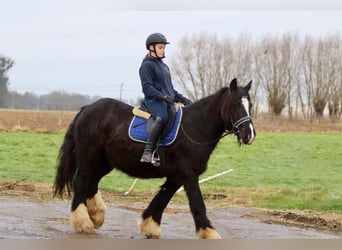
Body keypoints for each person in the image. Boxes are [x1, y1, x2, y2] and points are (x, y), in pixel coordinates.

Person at [139, 32, 192, 163]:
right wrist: (163, 96)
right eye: (160, 47)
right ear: (151, 48)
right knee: (162, 118)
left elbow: (170, 89)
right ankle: (148, 152)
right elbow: (147, 88)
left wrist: (182, 99)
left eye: (164, 48)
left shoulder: (164, 66)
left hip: (165, 100)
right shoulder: (147, 65)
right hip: (153, 100)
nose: (163, 50)